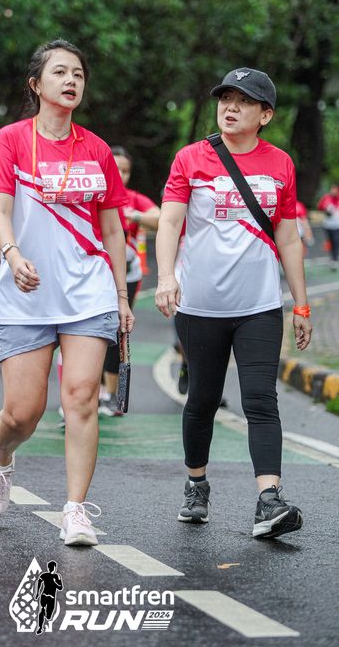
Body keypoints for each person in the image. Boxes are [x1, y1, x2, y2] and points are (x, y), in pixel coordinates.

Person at [0, 40, 134, 545]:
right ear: (36, 84)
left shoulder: (97, 149)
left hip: (88, 289)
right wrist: (11, 255)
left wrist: (121, 296)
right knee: (23, 412)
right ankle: (2, 456)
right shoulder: (11, 140)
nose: (71, 81)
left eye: (78, 74)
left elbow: (112, 229)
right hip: (28, 290)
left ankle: (76, 510)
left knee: (82, 397)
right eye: (60, 72)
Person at [155, 68, 312, 540]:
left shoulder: (280, 163)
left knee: (260, 400)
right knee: (202, 398)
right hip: (200, 306)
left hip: (259, 306)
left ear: (265, 115)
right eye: (225, 98)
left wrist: (301, 305)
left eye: (244, 101)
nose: (231, 107)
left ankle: (269, 499)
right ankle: (196, 484)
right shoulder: (191, 158)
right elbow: (169, 222)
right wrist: (166, 276)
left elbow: (288, 237)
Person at [99, 146, 159, 415]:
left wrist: (132, 215)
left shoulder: (133, 199)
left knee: (118, 329)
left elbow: (161, 218)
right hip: (95, 274)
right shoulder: (91, 194)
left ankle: (115, 396)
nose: (120, 175)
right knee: (91, 330)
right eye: (116, 169)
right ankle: (96, 389)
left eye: (125, 171)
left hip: (127, 275)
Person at [35, 561, 63, 635]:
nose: (51, 568)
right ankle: (40, 627)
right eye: (50, 567)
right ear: (48, 567)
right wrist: (37, 593)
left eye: (52, 567)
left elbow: (60, 587)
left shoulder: (57, 576)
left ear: (55, 568)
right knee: (42, 609)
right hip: (44, 595)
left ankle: (45, 614)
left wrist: (54, 583)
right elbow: (39, 582)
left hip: (52, 598)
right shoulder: (44, 575)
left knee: (49, 616)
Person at [317, 184, 339, 270]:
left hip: (337, 225)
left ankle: (334, 259)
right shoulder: (326, 198)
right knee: (331, 242)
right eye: (332, 189)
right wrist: (326, 209)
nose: (333, 191)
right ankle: (333, 258)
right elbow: (320, 207)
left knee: (336, 241)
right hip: (328, 225)